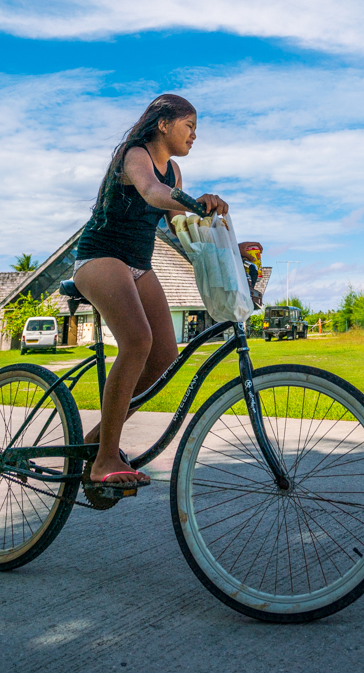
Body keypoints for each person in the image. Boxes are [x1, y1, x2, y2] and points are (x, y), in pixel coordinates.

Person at [72, 93, 227, 488]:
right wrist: (194, 203)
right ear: (164, 124)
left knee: (164, 357)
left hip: (139, 265)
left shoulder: (174, 172)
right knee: (137, 341)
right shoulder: (135, 154)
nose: (194, 136)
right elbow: (149, 191)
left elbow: (182, 229)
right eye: (189, 126)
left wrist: (226, 248)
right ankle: (106, 458)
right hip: (100, 257)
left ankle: (94, 442)